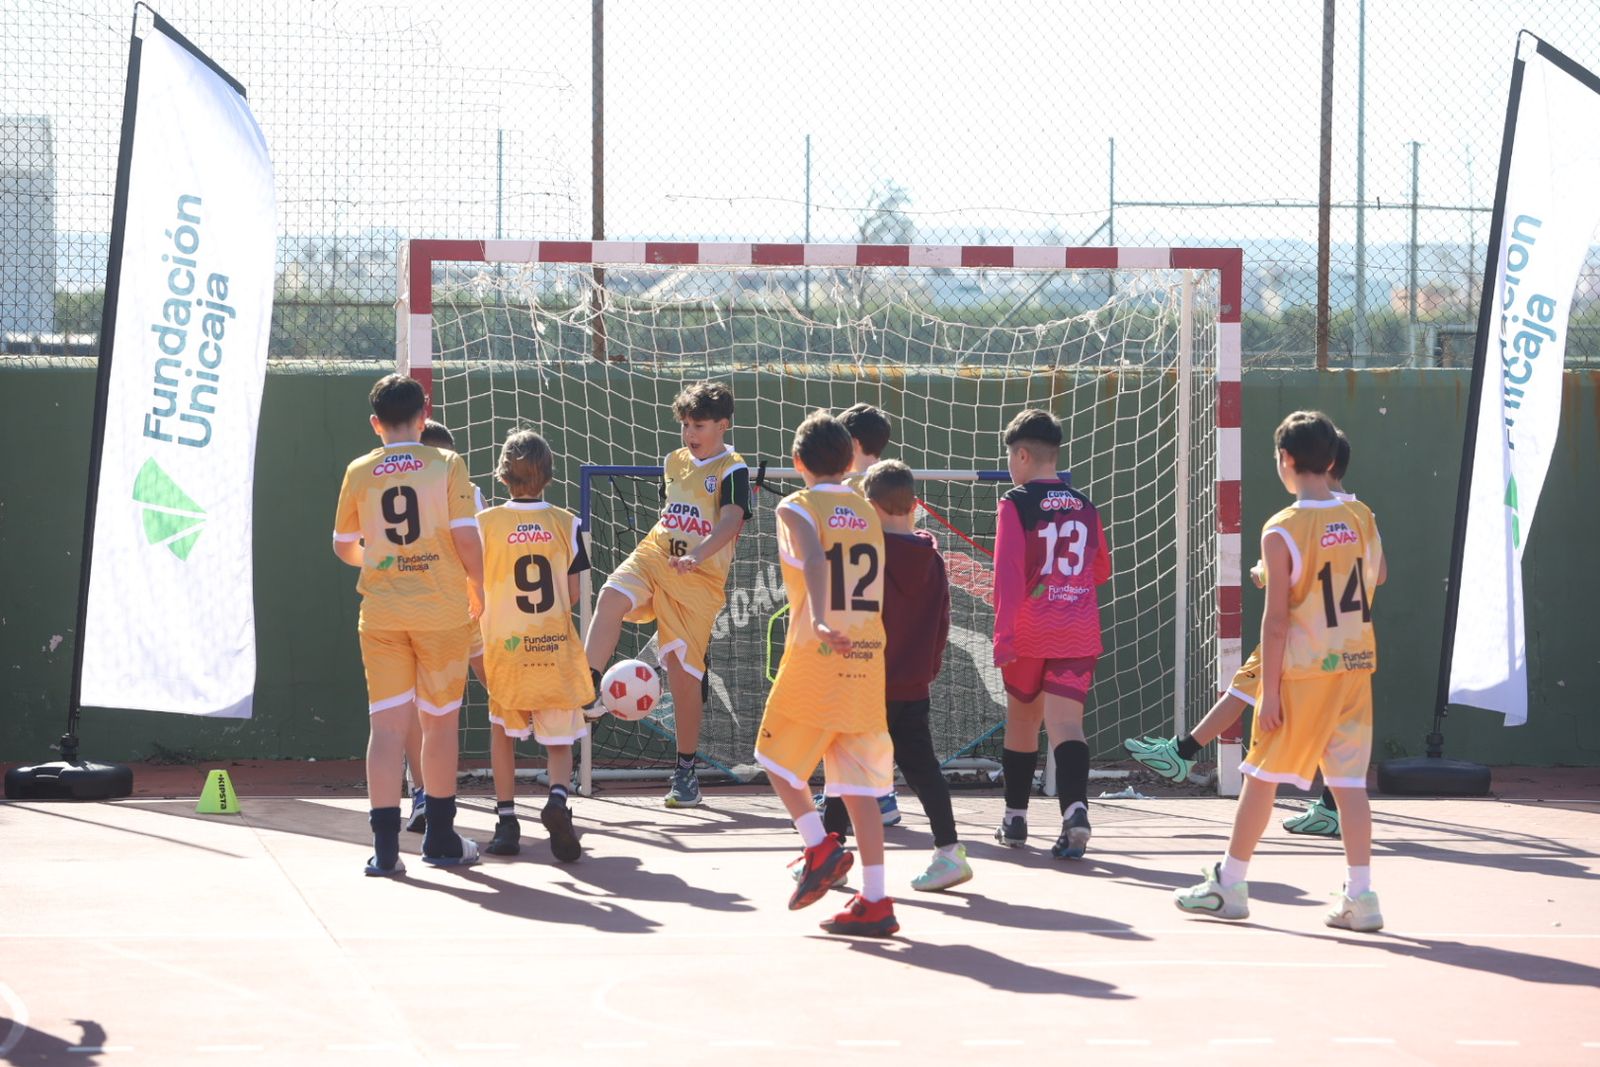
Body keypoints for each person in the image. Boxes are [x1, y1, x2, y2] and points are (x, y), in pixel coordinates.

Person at [1174, 411, 1384, 931]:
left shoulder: (1282, 528)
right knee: (1349, 784)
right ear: (1331, 460)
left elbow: (1276, 621)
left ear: (1285, 460)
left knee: (1259, 776)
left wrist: (1268, 692)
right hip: (1354, 667)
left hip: (1304, 673)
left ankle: (1229, 884)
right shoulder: (1361, 515)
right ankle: (1362, 896)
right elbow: (1378, 572)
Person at [1122, 429, 1383, 839]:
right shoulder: (1361, 514)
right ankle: (1349, 858)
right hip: (1347, 645)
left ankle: (1230, 866)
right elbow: (1378, 573)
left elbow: (1296, 585)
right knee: (1335, 732)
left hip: (1302, 638)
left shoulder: (1300, 520)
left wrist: (1273, 573)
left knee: (1260, 741)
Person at [332, 374, 483, 875]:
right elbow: (465, 538)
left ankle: (385, 850)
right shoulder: (446, 464)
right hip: (440, 614)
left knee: (386, 729)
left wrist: (380, 560)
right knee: (439, 726)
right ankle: (440, 839)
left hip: (381, 615)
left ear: (376, 424)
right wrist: (481, 587)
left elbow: (343, 545)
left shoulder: (359, 470)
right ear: (424, 415)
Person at [758, 411, 898, 936]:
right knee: (859, 789)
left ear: (797, 463)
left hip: (818, 655)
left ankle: (818, 845)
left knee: (773, 758)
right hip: (865, 657)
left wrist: (817, 616)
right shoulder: (867, 510)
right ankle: (877, 900)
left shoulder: (797, 505)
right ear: (850, 460)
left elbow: (815, 558)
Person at [583, 381, 751, 808]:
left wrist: (697, 555)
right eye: (685, 426)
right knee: (610, 597)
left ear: (722, 425)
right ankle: (585, 691)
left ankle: (686, 770)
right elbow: (671, 513)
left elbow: (731, 521)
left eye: (699, 425)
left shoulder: (732, 469)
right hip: (656, 556)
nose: (690, 434)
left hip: (698, 579)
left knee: (681, 674)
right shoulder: (673, 460)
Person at [991, 409, 1111, 859]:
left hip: (1029, 631)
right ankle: (1075, 810)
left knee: (1023, 722)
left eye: (1010, 458)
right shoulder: (1085, 504)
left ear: (1022, 454)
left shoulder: (1014, 502)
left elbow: (1006, 575)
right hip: (1078, 630)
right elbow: (1101, 568)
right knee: (1066, 725)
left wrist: (1003, 636)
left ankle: (1015, 819)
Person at [475, 429, 593, 862]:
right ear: (549, 477)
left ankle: (506, 822)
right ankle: (558, 799)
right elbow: (575, 592)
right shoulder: (567, 523)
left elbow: (475, 584)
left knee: (502, 733)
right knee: (559, 739)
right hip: (554, 647)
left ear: (503, 476)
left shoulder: (484, 525)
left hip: (506, 650)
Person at [862, 460, 971, 891]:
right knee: (922, 769)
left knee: (849, 768)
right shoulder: (933, 558)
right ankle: (949, 851)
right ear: (914, 504)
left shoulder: (869, 557)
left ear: (870, 506)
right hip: (913, 684)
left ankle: (827, 850)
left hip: (870, 682)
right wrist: (927, 668)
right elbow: (943, 621)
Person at [403, 419, 488, 834]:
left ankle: (423, 794)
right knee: (487, 695)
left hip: (415, 607)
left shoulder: (390, 483)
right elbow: (476, 543)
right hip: (458, 606)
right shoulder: (466, 490)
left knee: (417, 708)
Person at [820, 401, 901, 831]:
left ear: (849, 444)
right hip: (878, 621)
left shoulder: (845, 493)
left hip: (848, 620)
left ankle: (865, 795)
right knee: (870, 712)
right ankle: (874, 793)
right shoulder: (895, 489)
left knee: (843, 711)